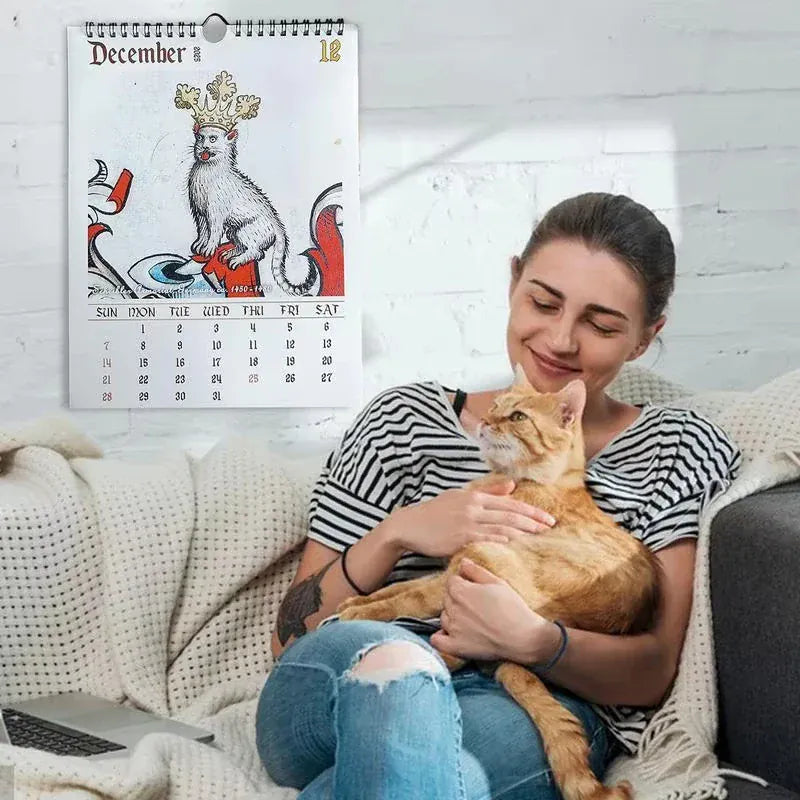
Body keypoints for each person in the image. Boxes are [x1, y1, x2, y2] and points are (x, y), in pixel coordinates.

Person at [254, 192, 742, 799]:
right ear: (513, 281)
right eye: (543, 301)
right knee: (394, 678)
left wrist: (538, 641)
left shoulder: (676, 445)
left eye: (601, 324)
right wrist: (398, 531)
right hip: (355, 660)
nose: (561, 341)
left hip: (521, 696)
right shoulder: (402, 422)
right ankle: (401, 682)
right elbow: (291, 638)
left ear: (644, 339)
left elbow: (652, 670)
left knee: (389, 771)